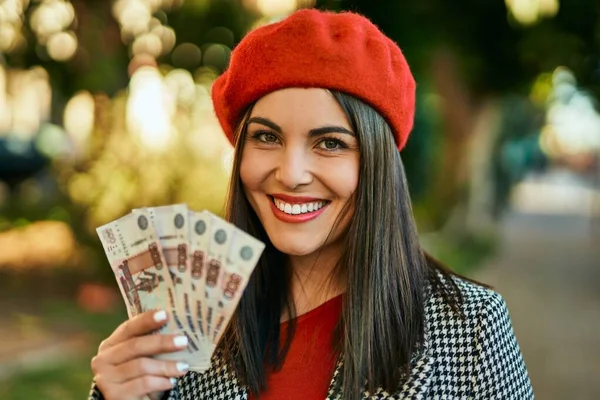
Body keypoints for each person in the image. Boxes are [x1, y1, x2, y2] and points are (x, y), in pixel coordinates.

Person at [88, 8, 534, 400]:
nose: (291, 173)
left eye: (330, 143)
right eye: (266, 137)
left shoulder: (471, 327)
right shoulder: (187, 323)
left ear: (377, 166)